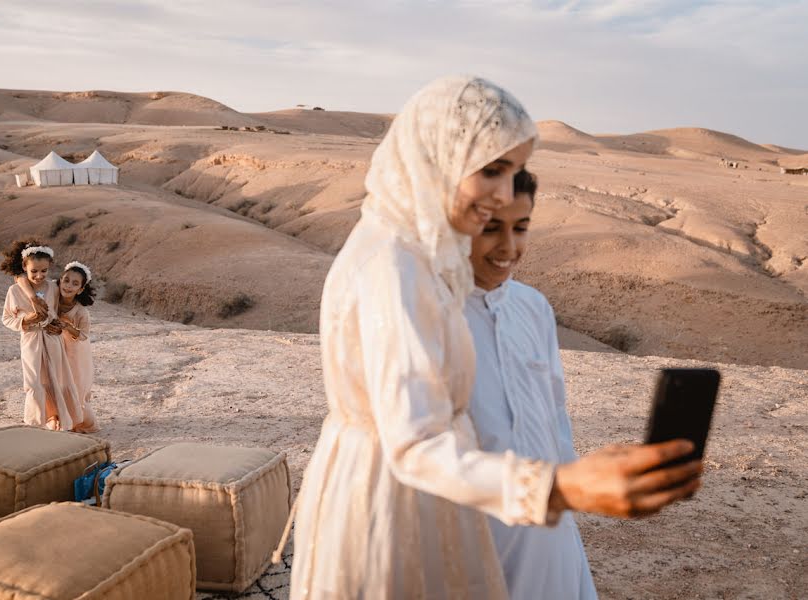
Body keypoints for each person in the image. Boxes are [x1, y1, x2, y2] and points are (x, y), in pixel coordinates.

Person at [287, 76, 702, 599]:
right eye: (491, 171)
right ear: (437, 159)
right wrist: (563, 487)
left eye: (512, 177)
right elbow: (415, 444)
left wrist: (572, 479)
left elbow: (546, 415)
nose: (503, 196)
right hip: (397, 505)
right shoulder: (394, 264)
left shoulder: (425, 259)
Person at [466, 169, 595, 598]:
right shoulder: (432, 314)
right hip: (476, 525)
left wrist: (568, 489)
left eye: (521, 228)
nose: (508, 247)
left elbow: (554, 411)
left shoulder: (533, 306)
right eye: (491, 229)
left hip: (548, 524)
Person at [0, 240, 85, 431]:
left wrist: (58, 326)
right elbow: (6, 318)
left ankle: (57, 417)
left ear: (50, 268)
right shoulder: (14, 291)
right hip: (30, 340)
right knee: (32, 381)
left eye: (44, 271)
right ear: (24, 267)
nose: (39, 276)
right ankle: (35, 423)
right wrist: (26, 320)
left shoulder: (53, 288)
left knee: (55, 379)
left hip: (52, 340)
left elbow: (57, 311)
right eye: (34, 271)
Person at [56, 261, 99, 433]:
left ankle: (80, 422)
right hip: (56, 348)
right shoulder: (53, 299)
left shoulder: (81, 312)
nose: (68, 286)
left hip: (75, 352)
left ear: (80, 289)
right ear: (60, 280)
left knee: (73, 385)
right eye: (66, 280)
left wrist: (66, 326)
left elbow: (83, 335)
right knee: (56, 382)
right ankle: (60, 419)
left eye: (75, 283)